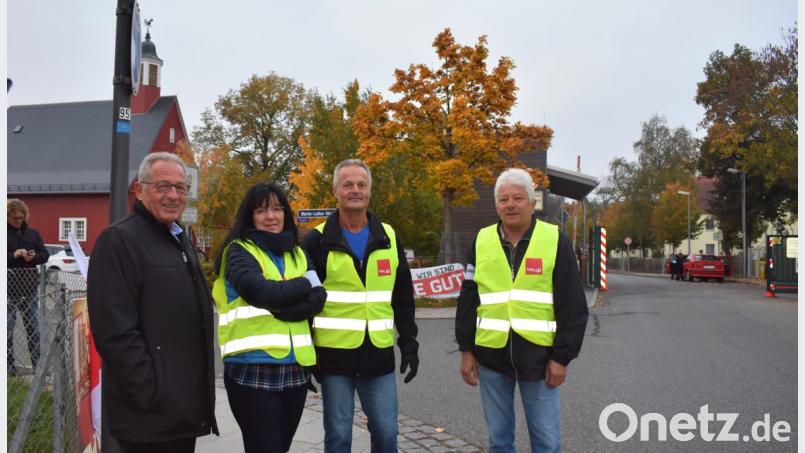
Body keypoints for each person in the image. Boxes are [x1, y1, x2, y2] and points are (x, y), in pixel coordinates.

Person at [87, 152, 218, 452]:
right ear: (140, 190)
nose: (173, 195)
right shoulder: (119, 240)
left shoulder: (178, 239)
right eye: (162, 186)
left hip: (181, 410)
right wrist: (150, 392)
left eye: (180, 187)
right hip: (150, 415)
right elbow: (115, 332)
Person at [455, 168, 588, 453]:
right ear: (496, 205)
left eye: (518, 198)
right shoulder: (481, 241)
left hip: (541, 359)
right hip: (491, 356)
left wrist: (562, 358)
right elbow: (468, 300)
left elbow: (573, 306)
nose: (511, 204)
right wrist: (466, 350)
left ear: (531, 202)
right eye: (504, 199)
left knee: (547, 443)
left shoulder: (554, 240)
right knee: (499, 442)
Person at [303, 159, 419, 452]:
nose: (355, 190)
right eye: (348, 185)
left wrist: (409, 342)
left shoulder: (388, 237)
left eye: (361, 184)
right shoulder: (316, 241)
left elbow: (402, 296)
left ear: (369, 191)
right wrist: (306, 356)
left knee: (387, 432)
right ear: (335, 191)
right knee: (339, 436)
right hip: (333, 358)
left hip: (377, 355)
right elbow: (305, 301)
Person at [212, 183, 326, 453]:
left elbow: (319, 297)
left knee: (280, 447)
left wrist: (284, 309)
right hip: (251, 367)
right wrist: (301, 285)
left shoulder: (298, 252)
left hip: (295, 369)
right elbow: (260, 292)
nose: (270, 216)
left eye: (277, 209)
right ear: (249, 217)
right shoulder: (239, 251)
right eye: (261, 210)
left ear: (286, 213)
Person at [7, 199, 49, 376]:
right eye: (15, 218)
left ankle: (38, 367)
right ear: (7, 216)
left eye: (21, 218)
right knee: (7, 329)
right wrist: (13, 255)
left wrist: (33, 257)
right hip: (7, 288)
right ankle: (9, 369)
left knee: (33, 327)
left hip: (29, 287)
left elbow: (44, 255)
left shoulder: (33, 233)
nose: (18, 221)